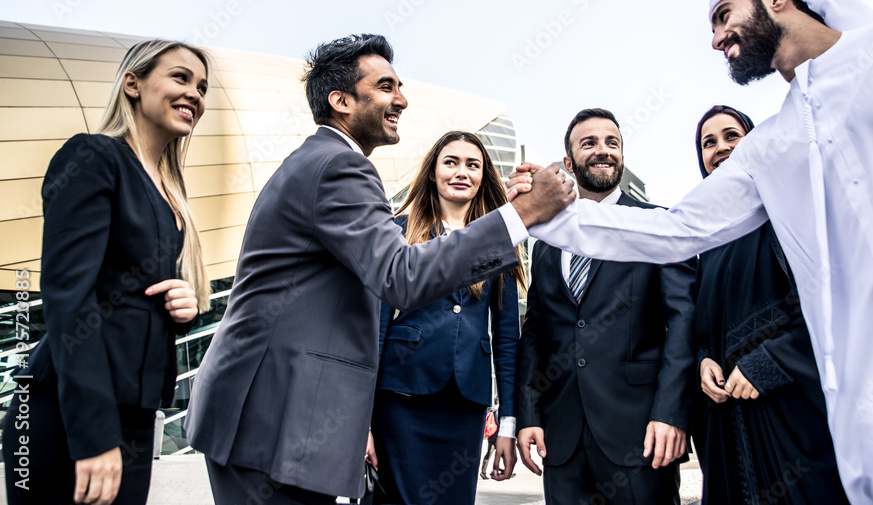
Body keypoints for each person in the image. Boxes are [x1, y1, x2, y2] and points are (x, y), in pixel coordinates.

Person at [510, 0, 873, 504]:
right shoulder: (771, 145)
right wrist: (548, 215)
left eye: (724, 16)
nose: (717, 39)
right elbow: (679, 228)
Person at [184, 34, 573, 503]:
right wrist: (520, 215)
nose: (402, 99)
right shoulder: (339, 168)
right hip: (275, 415)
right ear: (341, 100)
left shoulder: (319, 162)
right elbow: (400, 276)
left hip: (277, 414)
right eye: (386, 86)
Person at [2, 40, 211, 505]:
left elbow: (132, 295)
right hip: (70, 412)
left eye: (202, 87)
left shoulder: (170, 191)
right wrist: (94, 435)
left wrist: (185, 308)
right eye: (180, 78)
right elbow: (69, 297)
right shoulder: (94, 157)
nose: (194, 94)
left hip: (133, 415)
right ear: (132, 84)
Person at [515, 109, 697, 505]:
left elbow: (683, 322)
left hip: (642, 435)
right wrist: (529, 415)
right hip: (562, 441)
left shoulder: (658, 223)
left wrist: (671, 413)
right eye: (589, 143)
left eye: (612, 143)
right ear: (568, 163)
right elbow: (535, 334)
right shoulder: (546, 242)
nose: (603, 151)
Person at [691, 104, 848, 505]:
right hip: (730, 427)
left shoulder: (788, 212)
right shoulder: (708, 239)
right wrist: (704, 360)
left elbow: (831, 304)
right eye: (708, 143)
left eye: (731, 136)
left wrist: (769, 361)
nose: (720, 147)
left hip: (792, 419)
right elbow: (703, 325)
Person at [371, 131, 526, 504]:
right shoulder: (398, 230)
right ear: (433, 172)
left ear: (483, 176)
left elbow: (507, 339)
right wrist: (360, 421)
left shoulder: (498, 240)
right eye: (451, 162)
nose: (462, 172)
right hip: (401, 397)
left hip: (466, 404)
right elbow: (374, 326)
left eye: (473, 165)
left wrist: (507, 422)